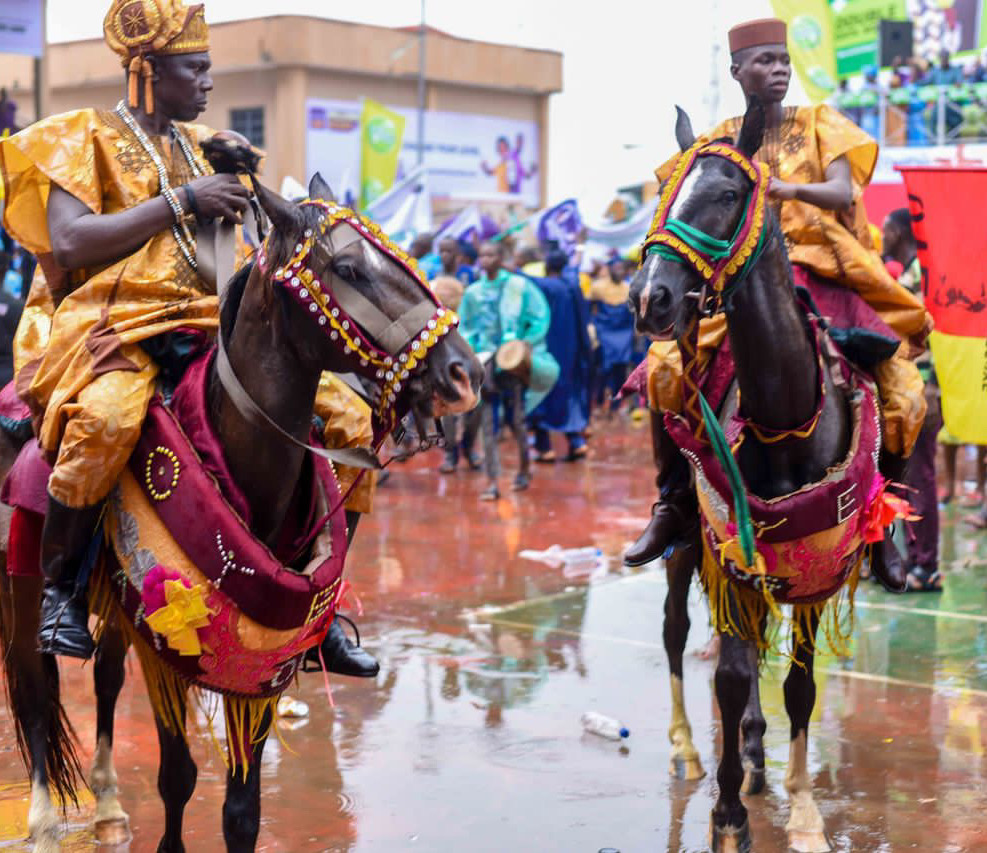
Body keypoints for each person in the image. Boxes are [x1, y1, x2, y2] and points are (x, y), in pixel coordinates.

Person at [0, 0, 378, 676]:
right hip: (111, 326)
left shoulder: (202, 150)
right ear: (148, 70)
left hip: (203, 323)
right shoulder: (79, 135)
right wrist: (183, 202)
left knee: (349, 418)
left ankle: (321, 610)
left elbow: (212, 264)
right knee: (107, 417)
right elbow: (68, 239)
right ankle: (60, 591)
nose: (208, 83)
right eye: (196, 69)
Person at [626, 18, 931, 593]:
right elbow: (683, 207)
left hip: (823, 271)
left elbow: (844, 193)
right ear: (737, 72)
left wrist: (782, 189)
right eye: (764, 61)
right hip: (739, 279)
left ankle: (881, 522)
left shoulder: (821, 123)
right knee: (663, 370)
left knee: (905, 389)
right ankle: (672, 502)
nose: (779, 69)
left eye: (784, 60)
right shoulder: (715, 140)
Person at [458, 240, 551, 500]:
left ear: (501, 258)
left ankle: (523, 470)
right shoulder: (473, 292)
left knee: (517, 421)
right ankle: (492, 482)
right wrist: (473, 351)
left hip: (511, 364)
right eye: (482, 255)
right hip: (486, 364)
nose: (485, 259)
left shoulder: (519, 286)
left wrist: (526, 343)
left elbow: (540, 316)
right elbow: (465, 327)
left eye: (490, 255)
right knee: (488, 424)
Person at [881, 208, 942, 591]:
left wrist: (933, 385)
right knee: (902, 480)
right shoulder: (907, 271)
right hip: (905, 393)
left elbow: (937, 331)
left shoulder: (919, 274)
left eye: (887, 230)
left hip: (921, 393)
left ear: (901, 232)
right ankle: (906, 561)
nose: (882, 236)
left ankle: (926, 566)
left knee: (918, 477)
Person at [528, 248, 592, 462]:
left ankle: (545, 448)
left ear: (547, 267)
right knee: (569, 396)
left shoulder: (543, 286)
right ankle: (576, 443)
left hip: (547, 351)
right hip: (572, 351)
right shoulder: (573, 286)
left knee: (541, 395)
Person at [590, 258, 635, 415]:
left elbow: (633, 313)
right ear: (609, 269)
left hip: (623, 333)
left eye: (622, 268)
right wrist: (593, 330)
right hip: (605, 332)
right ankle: (600, 402)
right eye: (616, 268)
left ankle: (617, 404)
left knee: (621, 369)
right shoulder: (597, 287)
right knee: (603, 369)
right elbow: (591, 310)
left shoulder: (629, 287)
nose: (620, 271)